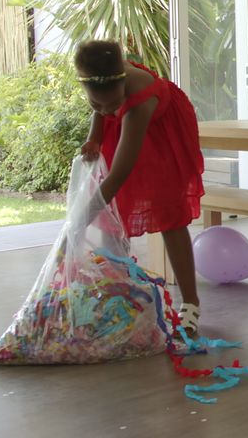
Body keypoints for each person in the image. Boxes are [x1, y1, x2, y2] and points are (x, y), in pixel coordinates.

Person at [75, 40, 205, 335]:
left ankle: (191, 303)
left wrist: (79, 220)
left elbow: (119, 174)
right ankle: (118, 293)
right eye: (97, 103)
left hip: (161, 135)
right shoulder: (106, 80)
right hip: (125, 127)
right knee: (114, 215)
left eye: (111, 104)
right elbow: (103, 110)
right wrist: (95, 137)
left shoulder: (139, 102)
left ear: (122, 82)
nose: (105, 110)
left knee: (170, 215)